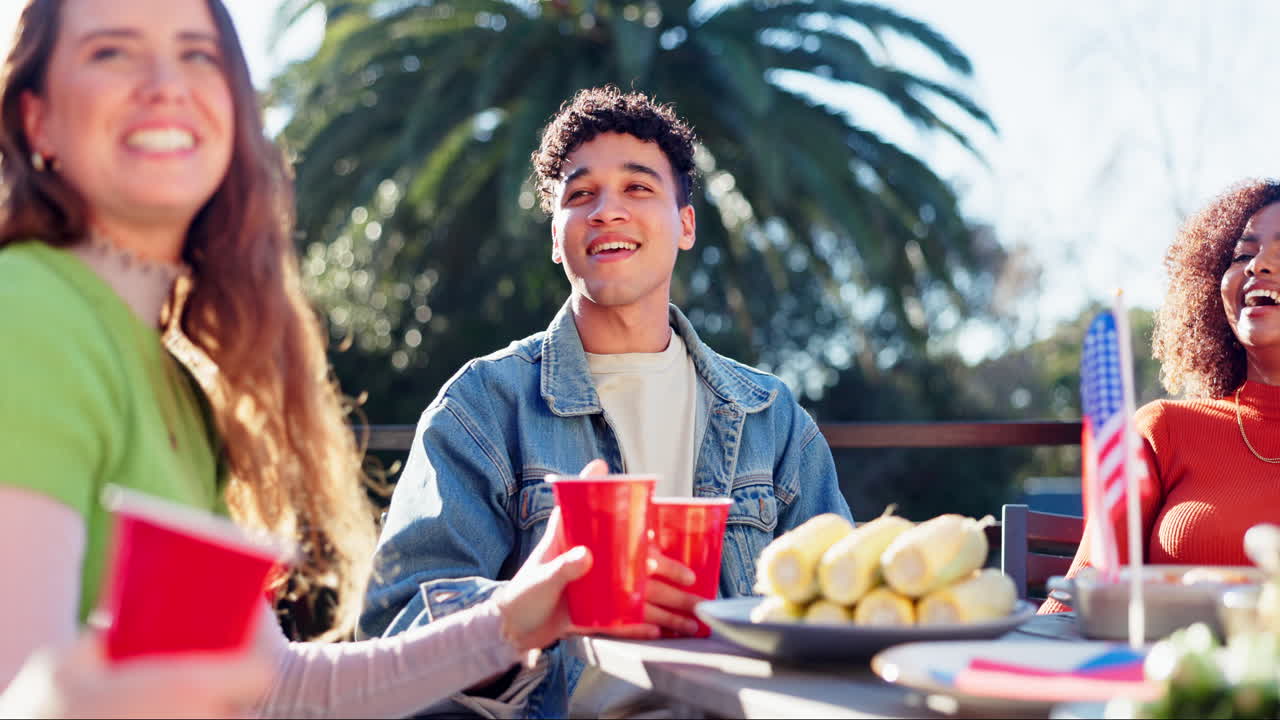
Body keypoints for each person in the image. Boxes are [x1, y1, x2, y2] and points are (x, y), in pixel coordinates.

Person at [0, 1, 649, 717]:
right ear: (37, 121)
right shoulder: (26, 311)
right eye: (111, 53)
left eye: (198, 54)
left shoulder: (176, 377)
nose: (166, 83)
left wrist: (515, 620)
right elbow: (21, 690)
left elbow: (280, 687)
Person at [360, 86, 853, 717]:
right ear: (555, 236)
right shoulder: (483, 408)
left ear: (686, 224)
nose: (606, 211)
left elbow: (841, 605)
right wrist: (539, 610)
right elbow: (394, 629)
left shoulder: (772, 417)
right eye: (580, 194)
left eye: (639, 188)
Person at [1041, 179, 1280, 613]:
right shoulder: (1164, 430)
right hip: (1168, 676)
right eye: (1242, 254)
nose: (1257, 265)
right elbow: (1085, 597)